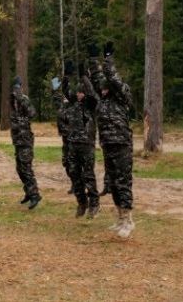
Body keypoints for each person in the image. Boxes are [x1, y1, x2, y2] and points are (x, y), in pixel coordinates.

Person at [89, 42, 135, 238]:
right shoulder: (103, 101)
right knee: (113, 183)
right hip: (107, 145)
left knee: (123, 181)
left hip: (122, 145)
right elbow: (97, 79)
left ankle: (129, 220)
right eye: (103, 89)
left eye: (107, 88)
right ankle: (120, 217)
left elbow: (112, 78)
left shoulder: (123, 97)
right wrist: (93, 61)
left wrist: (108, 60)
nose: (104, 90)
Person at [60, 60, 100, 218]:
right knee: (74, 174)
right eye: (78, 92)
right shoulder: (73, 103)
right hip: (73, 144)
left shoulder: (91, 103)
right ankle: (82, 203)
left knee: (88, 175)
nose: (79, 94)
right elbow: (64, 90)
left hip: (86, 145)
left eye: (81, 92)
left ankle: (94, 204)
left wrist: (84, 76)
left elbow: (91, 92)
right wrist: (66, 77)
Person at [10, 76, 41, 209]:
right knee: (20, 169)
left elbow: (32, 111)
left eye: (18, 102)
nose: (16, 103)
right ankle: (28, 192)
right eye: (15, 102)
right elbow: (12, 99)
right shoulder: (15, 113)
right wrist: (14, 93)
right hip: (18, 144)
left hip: (25, 143)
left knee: (27, 169)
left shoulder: (25, 110)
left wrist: (19, 92)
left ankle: (35, 195)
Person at [51, 75, 74, 194]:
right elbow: (55, 101)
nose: (65, 98)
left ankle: (77, 183)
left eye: (67, 96)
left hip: (73, 138)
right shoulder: (61, 107)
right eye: (64, 97)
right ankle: (75, 182)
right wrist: (54, 90)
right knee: (66, 161)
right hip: (65, 138)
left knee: (73, 161)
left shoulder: (74, 107)